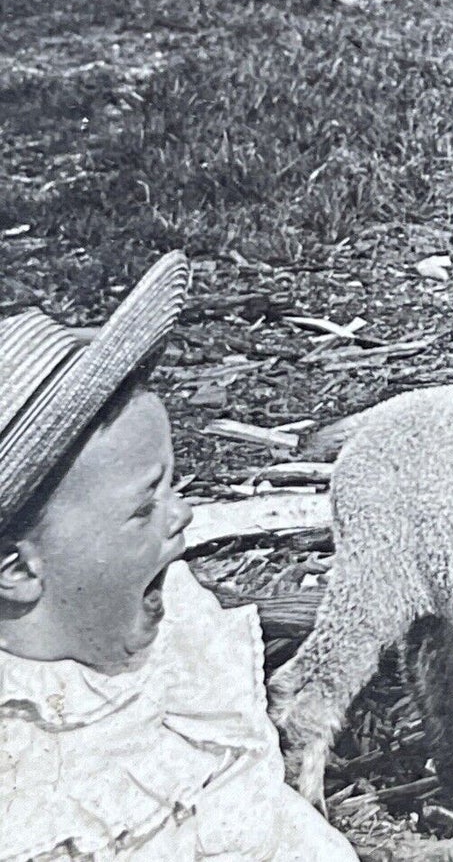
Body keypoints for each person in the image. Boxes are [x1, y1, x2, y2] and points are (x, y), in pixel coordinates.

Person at [0, 252, 358, 862]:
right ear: (19, 570)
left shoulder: (183, 646)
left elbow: (262, 813)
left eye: (173, 484)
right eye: (144, 508)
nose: (182, 514)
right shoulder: (23, 776)